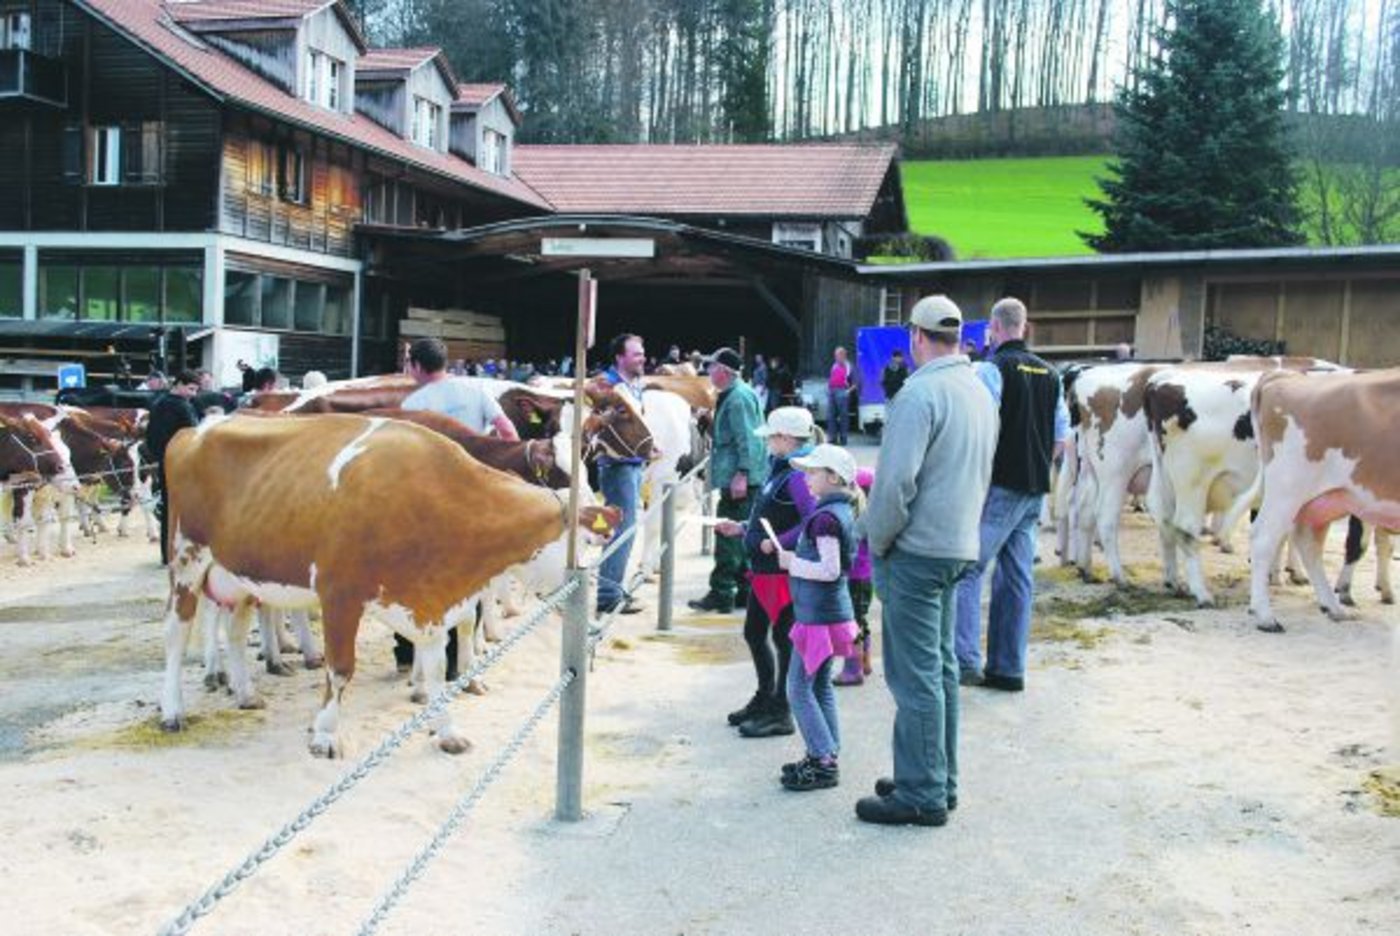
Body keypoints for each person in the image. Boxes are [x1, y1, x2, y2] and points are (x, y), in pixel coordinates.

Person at [859, 294, 997, 827]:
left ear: (915, 336)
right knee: (939, 672)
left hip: (917, 548)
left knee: (915, 676)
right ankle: (937, 776)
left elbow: (894, 485)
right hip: (958, 542)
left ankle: (921, 792)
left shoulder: (920, 394)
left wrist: (878, 539)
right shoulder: (977, 389)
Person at [954, 297, 1069, 692]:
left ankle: (964, 659)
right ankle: (1008, 668)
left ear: (994, 328)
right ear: (1025, 326)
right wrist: (1035, 464)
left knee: (968, 569)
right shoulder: (1051, 374)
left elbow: (981, 429)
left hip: (999, 485)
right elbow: (1060, 439)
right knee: (1017, 577)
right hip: (1034, 487)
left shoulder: (991, 369)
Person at [714, 406, 818, 739]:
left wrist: (780, 543)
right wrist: (744, 528)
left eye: (771, 437)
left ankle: (781, 709)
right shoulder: (783, 467)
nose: (768, 443)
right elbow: (771, 514)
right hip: (765, 571)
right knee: (756, 633)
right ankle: (766, 697)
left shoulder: (800, 473)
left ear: (786, 438)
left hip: (781, 573)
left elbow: (813, 521)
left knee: (781, 638)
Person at [772, 443, 863, 792]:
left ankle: (822, 760)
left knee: (798, 687)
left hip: (817, 618)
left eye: (812, 472)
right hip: (830, 614)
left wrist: (791, 562)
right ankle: (824, 753)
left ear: (833, 477)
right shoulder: (838, 512)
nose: (806, 478)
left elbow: (829, 569)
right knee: (820, 685)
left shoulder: (825, 518)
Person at [689, 347, 767, 613]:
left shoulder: (737, 399)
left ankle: (721, 592)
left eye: (711, 367)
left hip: (739, 478)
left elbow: (748, 439)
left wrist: (742, 474)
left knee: (727, 534)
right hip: (739, 475)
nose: (708, 372)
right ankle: (744, 591)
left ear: (723, 371)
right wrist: (708, 423)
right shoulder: (736, 394)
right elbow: (732, 436)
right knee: (741, 537)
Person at [595, 333, 649, 616]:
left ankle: (611, 588)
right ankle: (607, 595)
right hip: (617, 468)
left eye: (642, 353)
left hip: (633, 465)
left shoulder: (634, 385)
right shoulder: (606, 386)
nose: (643, 358)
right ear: (620, 357)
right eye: (636, 354)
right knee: (621, 529)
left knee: (617, 527)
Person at [401, 338, 519, 439]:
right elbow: (507, 430)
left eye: (408, 363)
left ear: (417, 366)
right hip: (476, 463)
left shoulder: (411, 405)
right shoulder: (477, 387)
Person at [145, 369, 201, 565]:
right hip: (184, 464)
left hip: (166, 462)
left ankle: (167, 554)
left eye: (195, 390)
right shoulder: (181, 407)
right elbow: (195, 435)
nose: (193, 394)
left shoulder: (159, 403)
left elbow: (151, 439)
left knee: (170, 509)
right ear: (178, 384)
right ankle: (178, 554)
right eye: (191, 388)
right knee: (184, 510)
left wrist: (161, 457)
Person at [834, 467, 876, 687]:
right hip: (866, 577)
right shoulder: (872, 516)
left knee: (852, 622)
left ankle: (853, 668)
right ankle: (865, 661)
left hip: (854, 577)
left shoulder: (855, 518)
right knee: (860, 618)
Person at [827, 347, 854, 444]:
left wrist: (848, 392)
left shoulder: (849, 366)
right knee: (831, 415)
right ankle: (832, 437)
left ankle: (843, 437)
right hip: (832, 391)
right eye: (835, 355)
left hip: (842, 391)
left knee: (843, 416)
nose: (835, 357)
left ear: (843, 355)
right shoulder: (834, 365)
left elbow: (856, 382)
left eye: (837, 355)